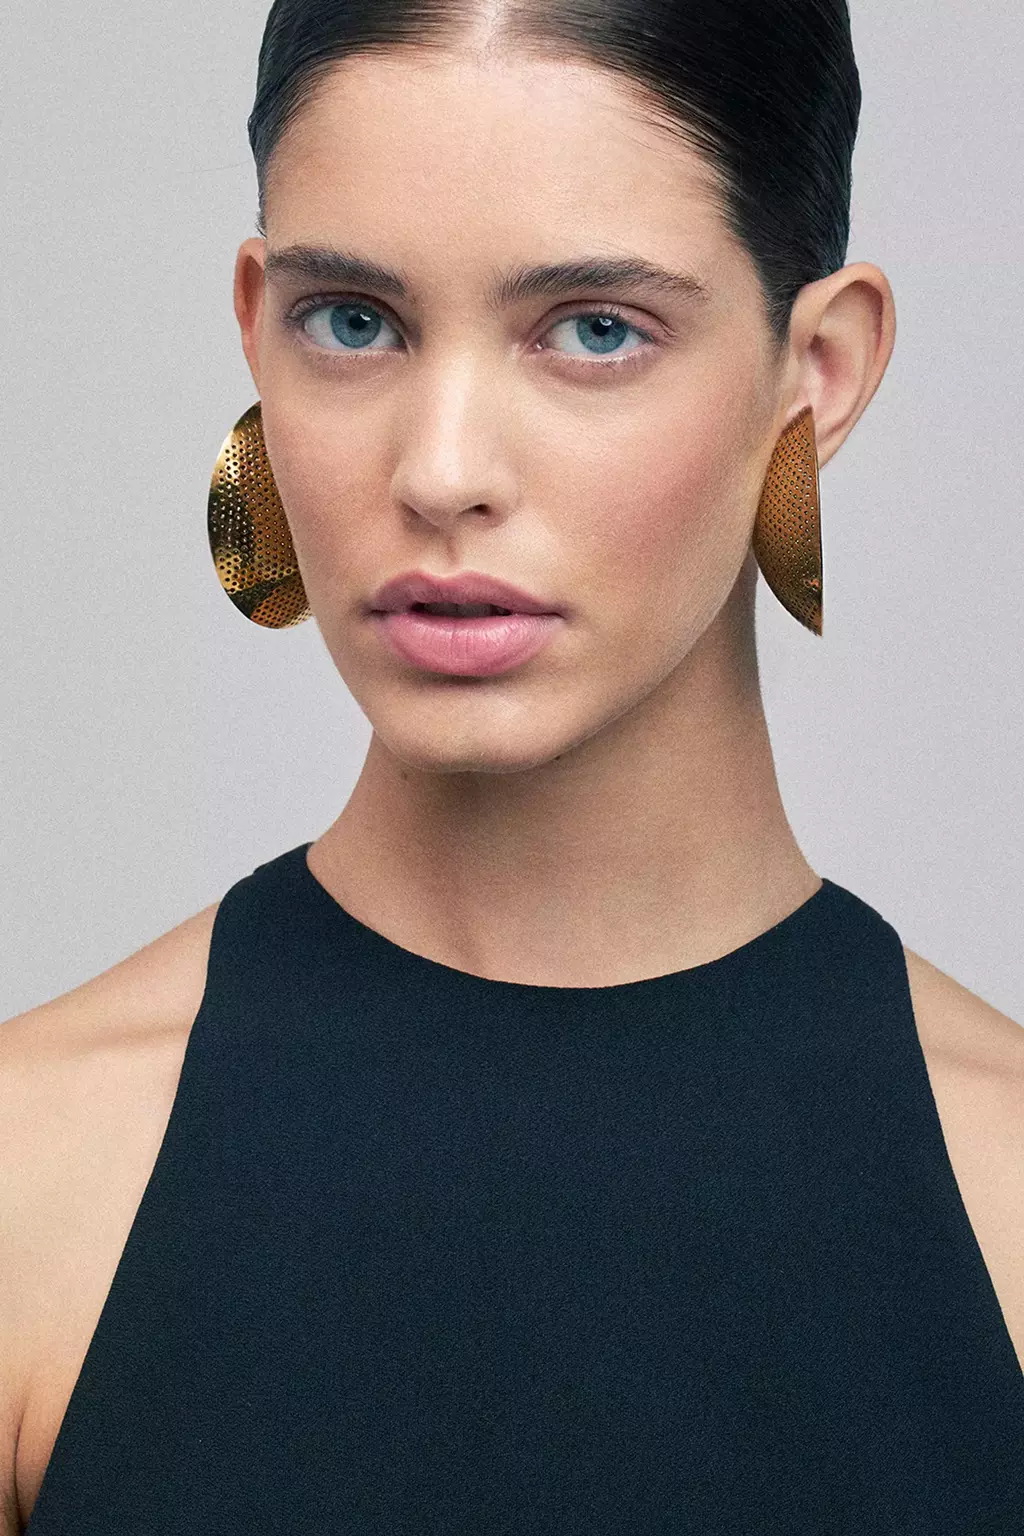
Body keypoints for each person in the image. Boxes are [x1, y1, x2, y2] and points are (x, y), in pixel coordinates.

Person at [3, 0, 1023, 1530]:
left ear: (817, 369)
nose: (442, 471)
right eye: (353, 321)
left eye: (594, 330)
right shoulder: (26, 1187)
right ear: (255, 328)